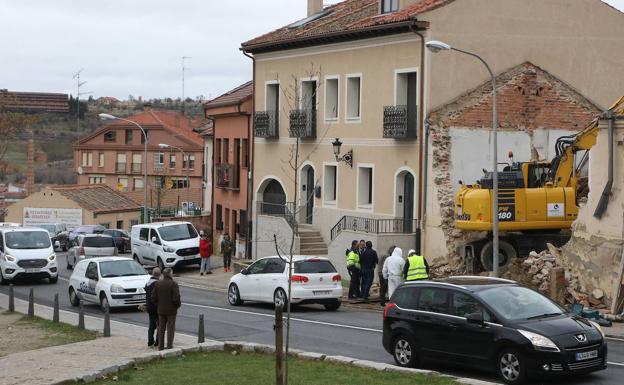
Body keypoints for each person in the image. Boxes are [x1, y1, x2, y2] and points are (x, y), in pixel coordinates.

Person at [152, 268, 181, 351]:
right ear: (170, 274)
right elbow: (176, 298)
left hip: (161, 309)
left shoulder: (158, 284)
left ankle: (160, 346)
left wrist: (158, 305)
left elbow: (153, 297)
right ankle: (169, 345)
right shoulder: (173, 284)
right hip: (171, 310)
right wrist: (177, 306)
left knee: (161, 328)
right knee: (170, 328)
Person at [144, 267, 161, 348]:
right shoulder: (157, 284)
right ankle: (158, 341)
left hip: (149, 307)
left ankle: (150, 341)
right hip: (157, 307)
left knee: (151, 324)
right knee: (159, 325)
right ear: (159, 275)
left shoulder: (147, 283)